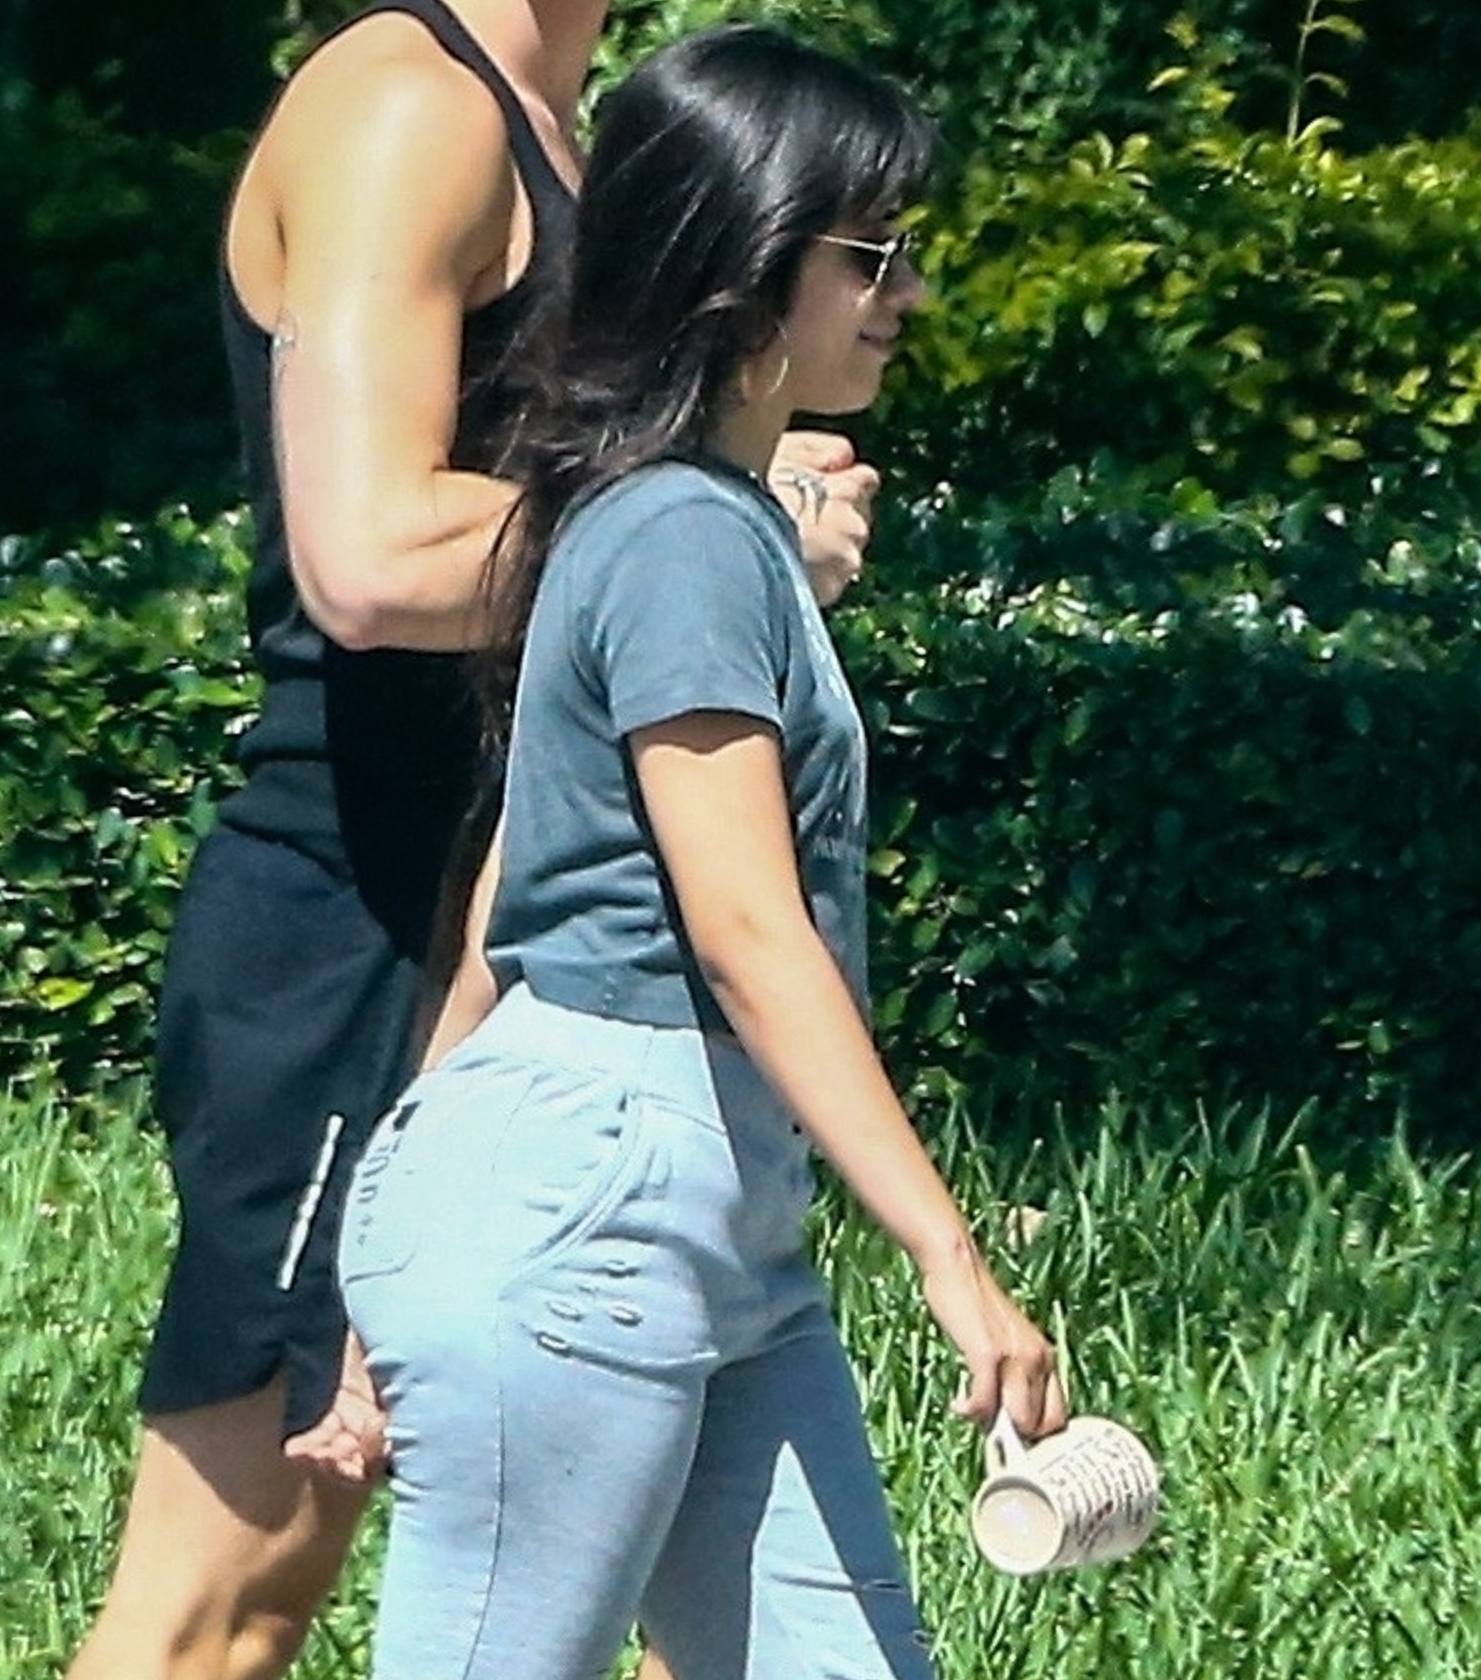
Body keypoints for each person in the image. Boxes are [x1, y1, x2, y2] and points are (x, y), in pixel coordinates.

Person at [68, 2, 877, 1676]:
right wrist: (724, 529)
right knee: (221, 1614)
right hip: (356, 929)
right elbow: (365, 556)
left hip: (538, 955)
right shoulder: (405, 105)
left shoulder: (563, 120)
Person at [340, 25, 1068, 1680]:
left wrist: (400, 1219)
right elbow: (744, 927)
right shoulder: (679, 536)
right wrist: (949, 1256)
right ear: (748, 266)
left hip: (688, 1219)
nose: (906, 292)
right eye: (869, 254)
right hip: (592, 1207)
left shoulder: (680, 519)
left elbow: (503, 910)